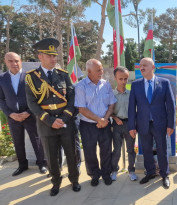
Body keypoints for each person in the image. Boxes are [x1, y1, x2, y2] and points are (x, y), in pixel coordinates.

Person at [25, 38, 81, 196]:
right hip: (46, 124)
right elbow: (32, 103)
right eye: (49, 56)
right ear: (40, 56)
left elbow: (71, 98)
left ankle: (74, 180)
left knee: (71, 153)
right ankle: (56, 182)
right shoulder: (31, 77)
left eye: (55, 55)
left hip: (66, 122)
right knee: (51, 156)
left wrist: (63, 118)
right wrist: (50, 120)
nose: (53, 59)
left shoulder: (63, 75)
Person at [128, 57, 175, 189]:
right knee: (146, 149)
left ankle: (164, 174)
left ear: (153, 68)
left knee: (162, 149)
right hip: (143, 123)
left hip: (160, 123)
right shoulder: (136, 84)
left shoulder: (164, 83)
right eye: (140, 65)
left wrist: (170, 124)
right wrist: (132, 126)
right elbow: (132, 107)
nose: (141, 67)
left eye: (145, 65)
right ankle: (150, 173)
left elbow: (170, 105)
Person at [0, 52, 47, 176]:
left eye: (16, 60)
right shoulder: (2, 78)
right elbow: (1, 99)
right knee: (18, 141)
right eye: (10, 61)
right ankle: (22, 165)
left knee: (36, 139)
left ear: (20, 61)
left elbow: (38, 97)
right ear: (6, 62)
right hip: (13, 117)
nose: (14, 63)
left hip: (30, 115)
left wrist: (28, 112)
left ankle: (41, 163)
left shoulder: (30, 77)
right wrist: (10, 114)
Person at [75, 59, 116, 187]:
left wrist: (104, 119)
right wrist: (99, 120)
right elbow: (82, 108)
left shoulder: (106, 84)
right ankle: (94, 174)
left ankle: (106, 173)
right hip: (88, 125)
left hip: (105, 123)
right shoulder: (81, 86)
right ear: (89, 71)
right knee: (89, 151)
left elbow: (112, 103)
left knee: (106, 149)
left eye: (102, 69)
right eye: (98, 70)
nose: (101, 72)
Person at [111, 66, 137, 181]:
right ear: (115, 78)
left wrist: (134, 126)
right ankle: (114, 170)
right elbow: (108, 111)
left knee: (130, 149)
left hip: (130, 124)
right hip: (116, 125)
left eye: (125, 79)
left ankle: (131, 170)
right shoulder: (111, 94)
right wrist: (114, 118)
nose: (123, 82)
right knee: (116, 149)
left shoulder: (132, 94)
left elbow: (136, 111)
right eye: (120, 79)